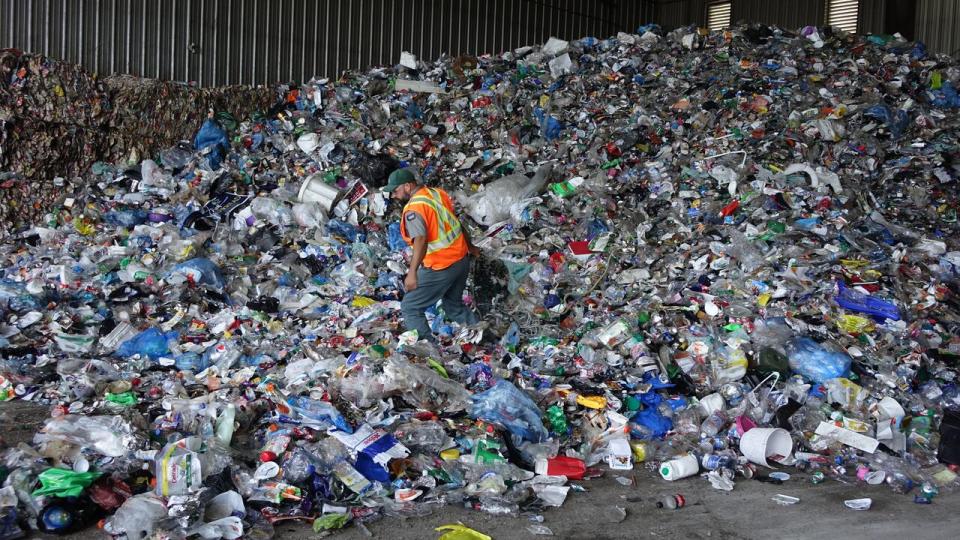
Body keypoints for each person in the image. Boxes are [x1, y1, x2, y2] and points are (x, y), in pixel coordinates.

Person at [383, 168, 479, 341]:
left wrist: (412, 273)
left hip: (441, 266)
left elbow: (421, 240)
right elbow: (454, 221)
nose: (394, 196)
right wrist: (470, 246)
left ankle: (427, 350)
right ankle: (481, 333)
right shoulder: (436, 194)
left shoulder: (414, 209)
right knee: (452, 305)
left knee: (410, 306)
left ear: (407, 186)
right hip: (461, 260)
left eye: (395, 191)